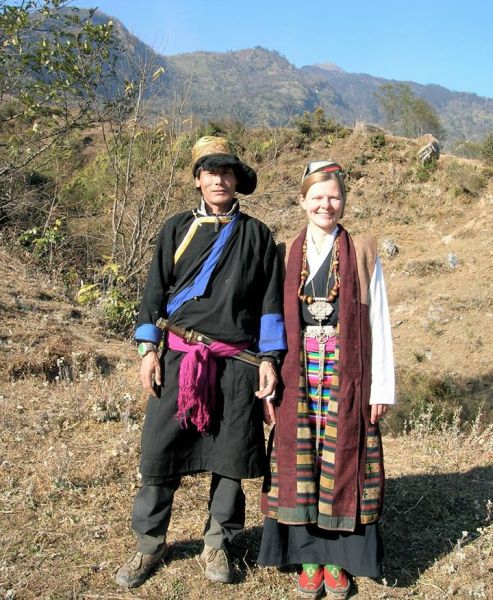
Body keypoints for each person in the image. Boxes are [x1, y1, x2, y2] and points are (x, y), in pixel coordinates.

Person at [115, 136, 286, 588]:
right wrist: (148, 349)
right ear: (198, 180)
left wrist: (269, 359)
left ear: (237, 181)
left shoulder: (258, 235)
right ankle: (149, 543)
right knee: (159, 452)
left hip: (237, 362)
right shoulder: (175, 228)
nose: (219, 179)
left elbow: (271, 304)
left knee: (230, 458)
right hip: (180, 357)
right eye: (211, 171)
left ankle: (218, 542)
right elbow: (154, 292)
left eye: (227, 172)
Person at [258, 160, 395, 599]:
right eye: (316, 197)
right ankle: (309, 558)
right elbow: (274, 321)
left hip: (345, 377)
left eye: (333, 196)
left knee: (341, 464)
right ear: (302, 201)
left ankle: (337, 560)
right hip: (297, 379)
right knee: (301, 467)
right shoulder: (284, 254)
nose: (325, 205)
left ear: (343, 201)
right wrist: (271, 376)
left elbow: (378, 322)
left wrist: (380, 387)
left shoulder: (364, 252)